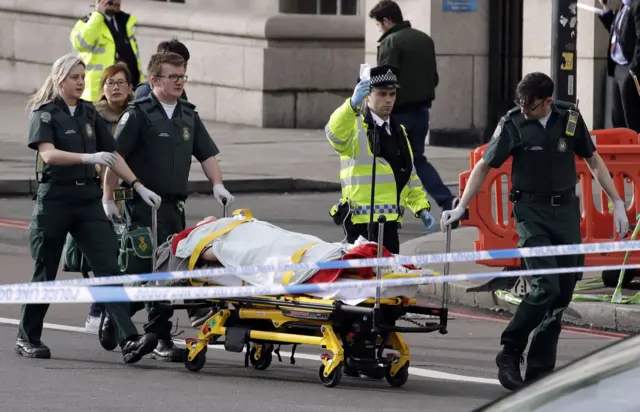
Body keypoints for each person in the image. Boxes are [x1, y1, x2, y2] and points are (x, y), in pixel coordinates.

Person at [440, 72, 630, 390]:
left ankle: (540, 371)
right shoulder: (513, 122)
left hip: (566, 213)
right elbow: (485, 165)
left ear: (548, 102)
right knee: (545, 286)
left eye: (531, 105)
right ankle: (511, 351)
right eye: (522, 105)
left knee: (563, 292)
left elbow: (593, 159)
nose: (525, 110)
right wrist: (462, 206)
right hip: (531, 213)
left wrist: (617, 202)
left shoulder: (569, 117)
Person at [17, 53, 161, 363]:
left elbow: (113, 154)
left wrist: (138, 185)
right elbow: (50, 155)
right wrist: (87, 158)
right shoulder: (45, 113)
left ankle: (129, 340)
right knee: (45, 272)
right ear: (60, 80)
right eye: (75, 78)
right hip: (55, 199)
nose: (81, 83)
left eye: (83, 77)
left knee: (109, 269)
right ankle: (27, 337)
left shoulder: (88, 113)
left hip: (87, 201)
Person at [100, 51, 234, 362]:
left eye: (182, 75)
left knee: (171, 272)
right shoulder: (138, 114)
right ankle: (117, 311)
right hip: (142, 202)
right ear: (154, 80)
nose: (179, 82)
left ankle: (157, 335)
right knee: (145, 271)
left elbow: (207, 155)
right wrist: (109, 198)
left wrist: (217, 184)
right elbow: (113, 157)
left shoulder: (188, 115)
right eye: (173, 76)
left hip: (173, 206)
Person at [326, 64, 435, 254]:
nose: (388, 100)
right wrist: (352, 104)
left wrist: (421, 208)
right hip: (361, 224)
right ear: (367, 95)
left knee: (388, 276)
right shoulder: (355, 127)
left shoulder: (398, 131)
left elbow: (409, 175)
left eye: (392, 94)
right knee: (363, 280)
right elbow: (333, 133)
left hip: (390, 224)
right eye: (382, 94)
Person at [368, 0, 459, 222]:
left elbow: (384, 82)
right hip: (422, 110)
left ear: (387, 21)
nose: (379, 29)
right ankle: (447, 201)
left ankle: (387, 213)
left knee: (385, 160)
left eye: (379, 25)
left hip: (398, 113)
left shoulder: (391, 42)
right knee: (416, 159)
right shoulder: (424, 39)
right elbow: (434, 77)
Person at [77, 62, 135, 333]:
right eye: (110, 83)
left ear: (130, 88)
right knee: (104, 256)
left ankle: (119, 312)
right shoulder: (93, 116)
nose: (115, 87)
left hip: (132, 196)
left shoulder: (137, 115)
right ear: (102, 89)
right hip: (102, 195)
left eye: (121, 82)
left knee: (131, 257)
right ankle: (97, 311)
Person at [70, 0, 143, 103]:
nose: (116, 2)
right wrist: (98, 14)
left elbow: (134, 58)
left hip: (128, 92)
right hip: (98, 94)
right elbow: (82, 44)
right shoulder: (89, 22)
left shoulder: (124, 22)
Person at [597, 0, 640, 133]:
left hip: (629, 68)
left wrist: (634, 68)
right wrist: (605, 9)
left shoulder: (636, 5)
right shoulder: (622, 5)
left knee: (631, 119)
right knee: (617, 118)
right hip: (617, 67)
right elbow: (619, 33)